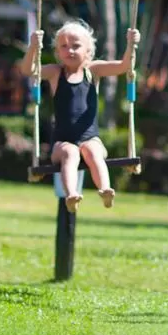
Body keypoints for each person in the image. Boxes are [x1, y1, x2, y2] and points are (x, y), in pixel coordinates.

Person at [21, 20, 140, 212]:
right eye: (64, 46)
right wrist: (33, 47)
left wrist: (131, 44)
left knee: (92, 151)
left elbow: (124, 66)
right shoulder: (55, 73)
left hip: (90, 138)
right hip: (62, 143)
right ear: (58, 52)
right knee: (70, 153)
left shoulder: (93, 71)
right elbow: (28, 70)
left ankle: (105, 189)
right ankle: (71, 195)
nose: (70, 50)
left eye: (76, 46)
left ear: (88, 50)